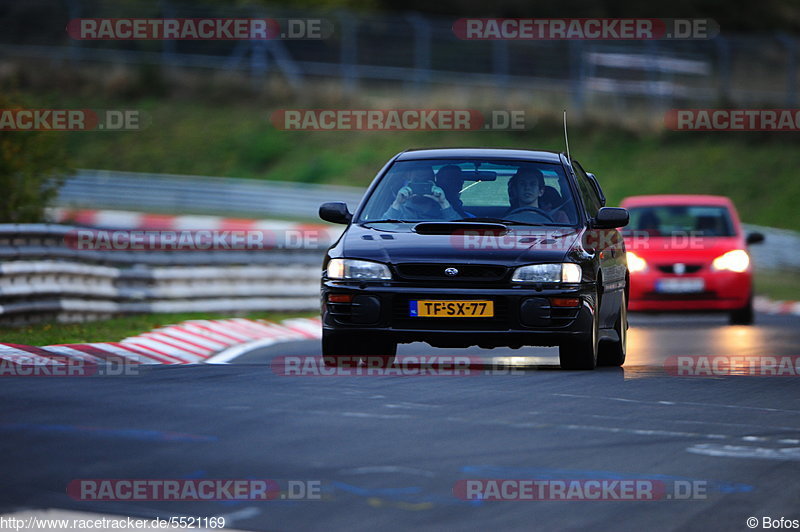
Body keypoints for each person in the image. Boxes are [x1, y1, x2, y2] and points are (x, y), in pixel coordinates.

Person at [382, 166, 459, 220]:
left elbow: (459, 232)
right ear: (408, 182)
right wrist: (397, 203)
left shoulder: (443, 210)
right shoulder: (398, 210)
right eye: (416, 181)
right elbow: (382, 229)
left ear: (433, 183)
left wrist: (444, 203)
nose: (420, 186)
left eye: (425, 182)